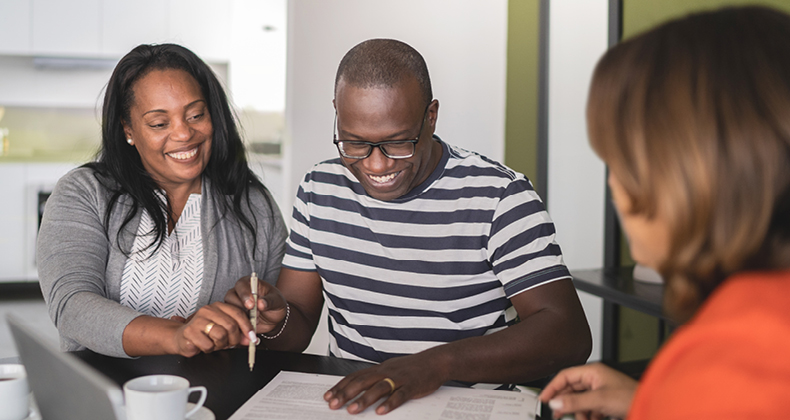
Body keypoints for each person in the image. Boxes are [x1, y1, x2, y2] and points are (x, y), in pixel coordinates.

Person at [226, 39, 592, 414]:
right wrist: (273, 316)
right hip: (357, 404)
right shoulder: (321, 189)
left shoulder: (498, 196)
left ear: (430, 117)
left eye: (397, 143)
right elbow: (296, 326)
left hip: (466, 406)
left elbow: (567, 335)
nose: (376, 165)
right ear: (337, 114)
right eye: (354, 143)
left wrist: (434, 364)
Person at [538, 6, 790, 419]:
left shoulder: (741, 358)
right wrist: (651, 400)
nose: (613, 185)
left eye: (621, 163)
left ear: (692, 169)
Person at [37, 44, 287, 358]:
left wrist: (267, 314)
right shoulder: (85, 192)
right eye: (159, 123)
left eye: (196, 114)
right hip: (106, 394)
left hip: (216, 398)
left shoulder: (253, 207)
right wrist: (177, 336)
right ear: (128, 129)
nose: (184, 133)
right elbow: (71, 306)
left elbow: (281, 328)